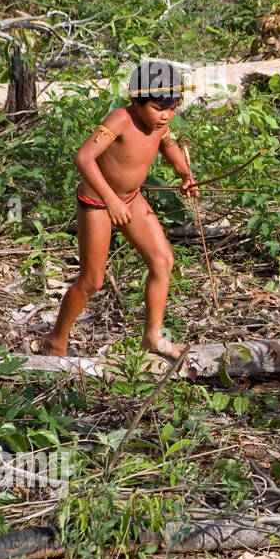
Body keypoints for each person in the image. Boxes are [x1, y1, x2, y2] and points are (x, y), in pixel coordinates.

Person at [38, 59, 198, 360]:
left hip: (131, 199)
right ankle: (55, 340)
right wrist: (110, 199)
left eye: (172, 109)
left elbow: (166, 143)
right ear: (136, 100)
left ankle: (153, 336)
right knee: (92, 280)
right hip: (98, 203)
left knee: (162, 261)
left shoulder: (158, 124)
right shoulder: (121, 119)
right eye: (157, 108)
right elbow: (84, 157)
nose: (165, 116)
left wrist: (184, 174)